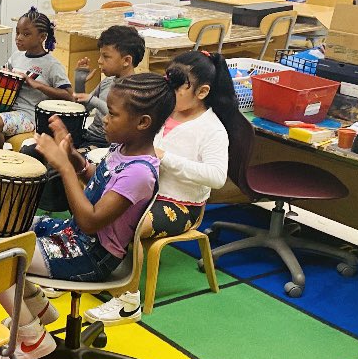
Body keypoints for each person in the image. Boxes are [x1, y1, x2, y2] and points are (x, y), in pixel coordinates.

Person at [0, 72, 181, 359]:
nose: (104, 119)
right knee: (3, 230)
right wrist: (73, 158)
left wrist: (62, 168)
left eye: (113, 114)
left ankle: (34, 339)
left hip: (90, 256)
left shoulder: (140, 173)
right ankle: (39, 309)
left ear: (142, 123)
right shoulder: (124, 150)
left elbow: (91, 220)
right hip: (74, 235)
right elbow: (98, 181)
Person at [84, 50, 252, 326]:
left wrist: (166, 158)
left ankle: (128, 300)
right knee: (97, 200)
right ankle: (87, 269)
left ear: (202, 91)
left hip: (181, 205)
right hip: (146, 190)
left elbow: (217, 177)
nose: (169, 91)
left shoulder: (212, 129)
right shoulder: (165, 114)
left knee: (132, 220)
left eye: (177, 86)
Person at [0, 10, 73, 149]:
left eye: (26, 34)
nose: (19, 38)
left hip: (28, 115)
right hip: (7, 107)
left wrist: (35, 84)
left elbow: (69, 96)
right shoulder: (16, 57)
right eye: (17, 33)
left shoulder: (52, 65)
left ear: (42, 37)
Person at [73, 25, 145, 148]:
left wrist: (92, 100)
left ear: (126, 60)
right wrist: (79, 82)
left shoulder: (134, 89)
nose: (99, 61)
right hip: (89, 136)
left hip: (107, 143)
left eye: (105, 56)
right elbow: (85, 109)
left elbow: (119, 118)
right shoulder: (108, 81)